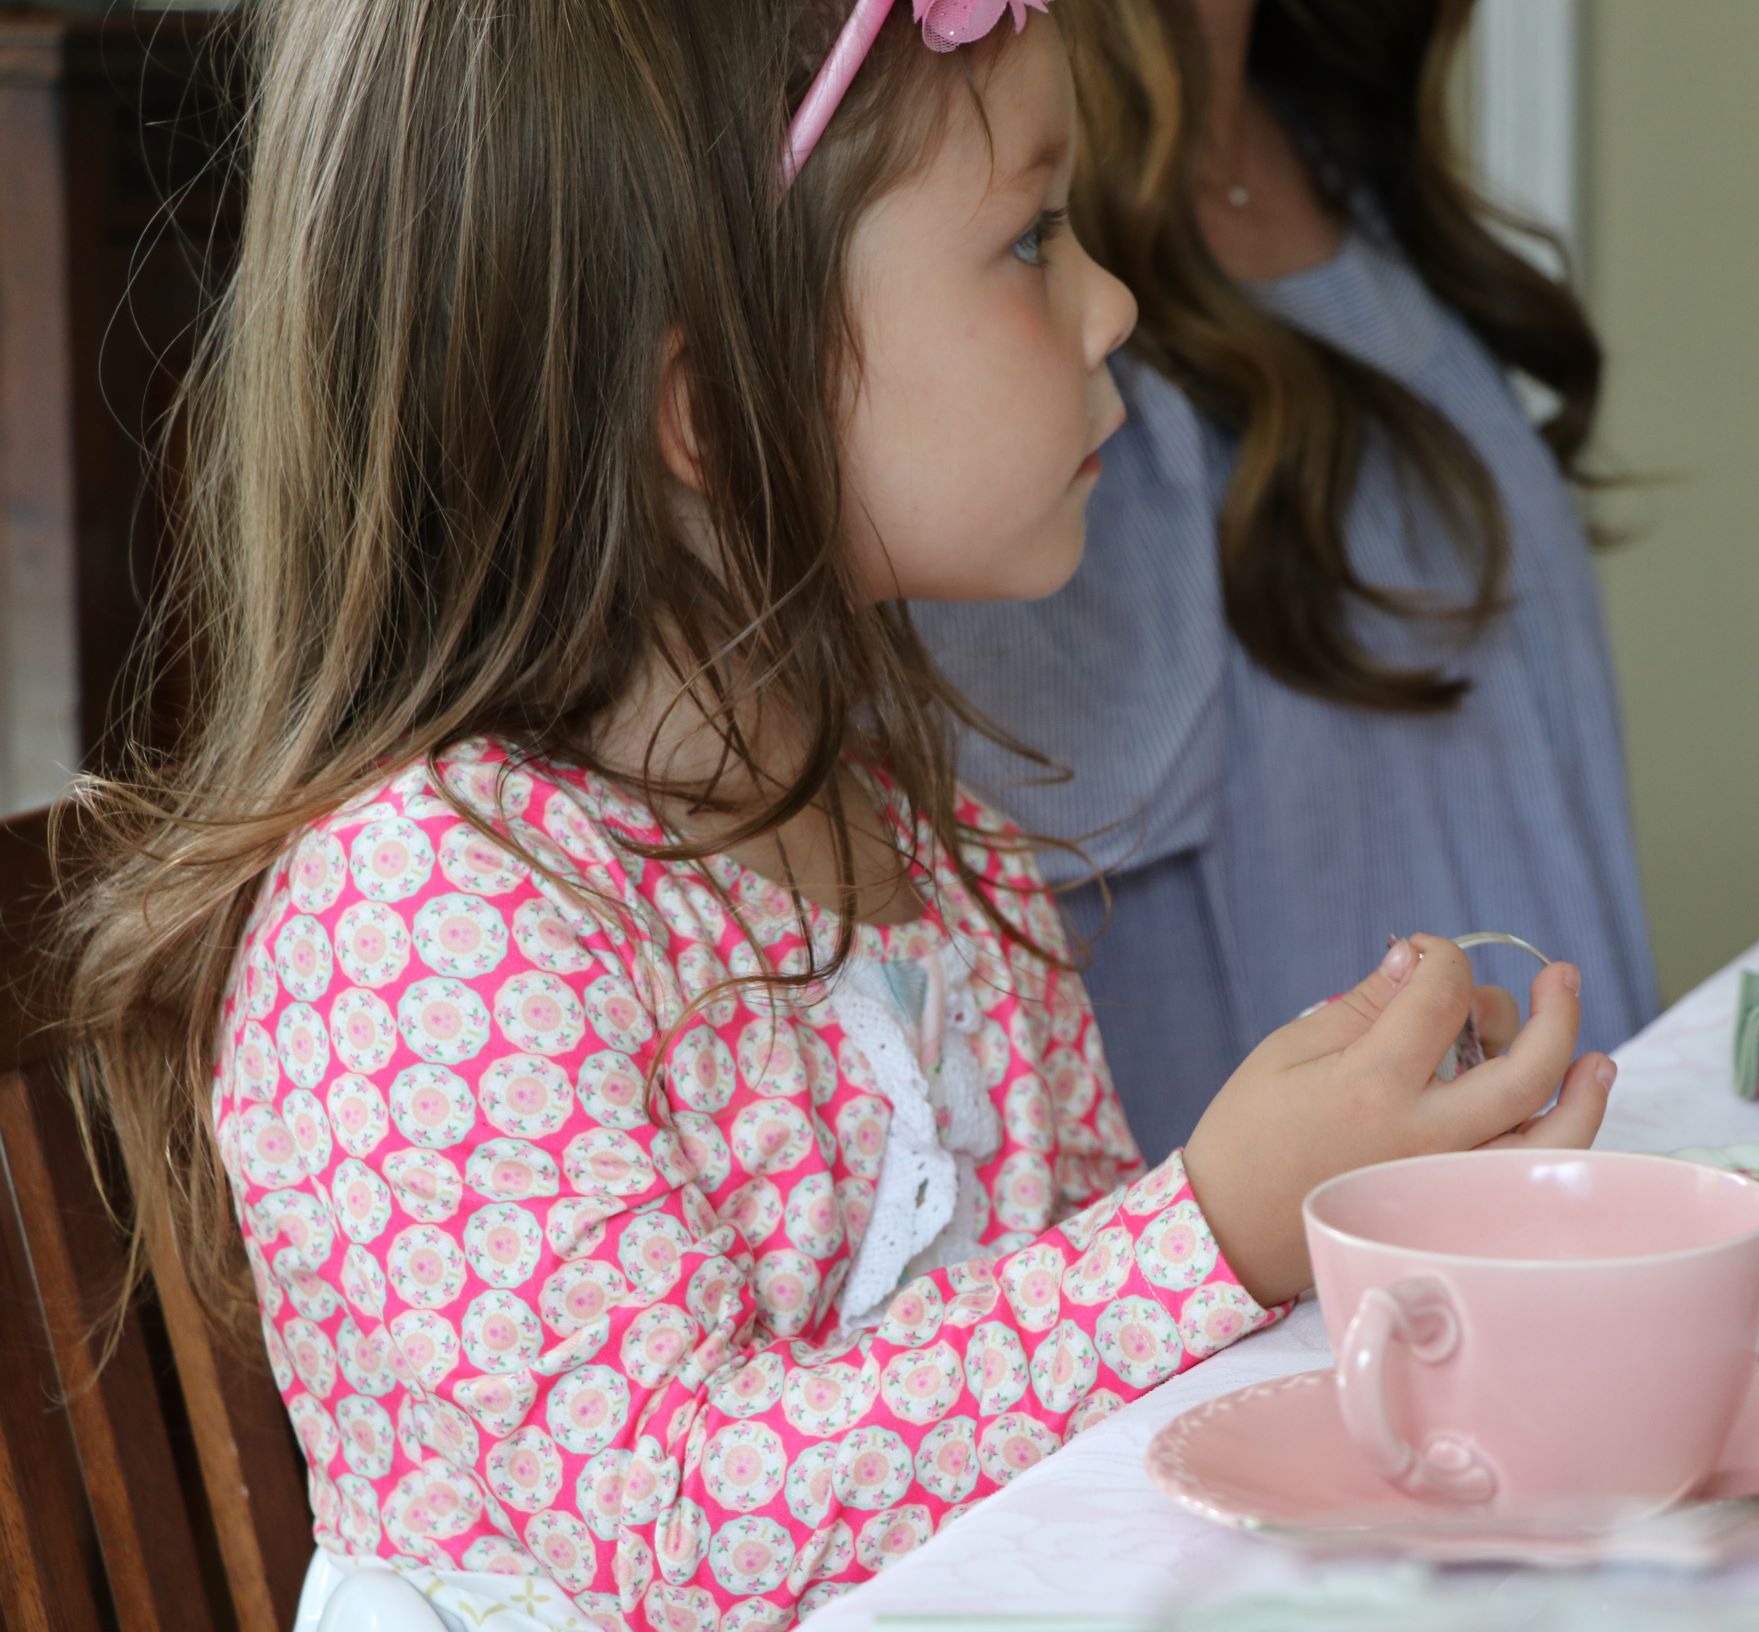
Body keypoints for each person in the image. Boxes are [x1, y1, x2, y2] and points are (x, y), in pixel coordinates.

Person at [59, 0, 1615, 1622]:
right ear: (713, 414)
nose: (1112, 304)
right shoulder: (424, 926)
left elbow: (1084, 1388)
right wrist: (1208, 1228)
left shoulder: (940, 848)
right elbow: (675, 1534)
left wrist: (1353, 1205)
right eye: (1029, 240)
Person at [914, 0, 1660, 1158]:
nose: (1095, 303)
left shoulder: (1329, 131)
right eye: (1034, 241)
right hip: (1221, 1153)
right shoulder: (973, 201)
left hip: (1527, 1074)